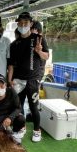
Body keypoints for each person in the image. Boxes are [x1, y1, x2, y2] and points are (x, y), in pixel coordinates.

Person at [8, 12, 49, 142]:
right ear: (18, 24)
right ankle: (22, 127)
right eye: (20, 23)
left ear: (31, 24)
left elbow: (46, 56)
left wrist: (39, 51)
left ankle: (37, 130)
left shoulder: (39, 38)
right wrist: (10, 79)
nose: (23, 25)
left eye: (26, 22)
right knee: (18, 106)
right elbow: (11, 65)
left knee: (33, 106)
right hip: (18, 80)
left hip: (33, 80)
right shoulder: (14, 44)